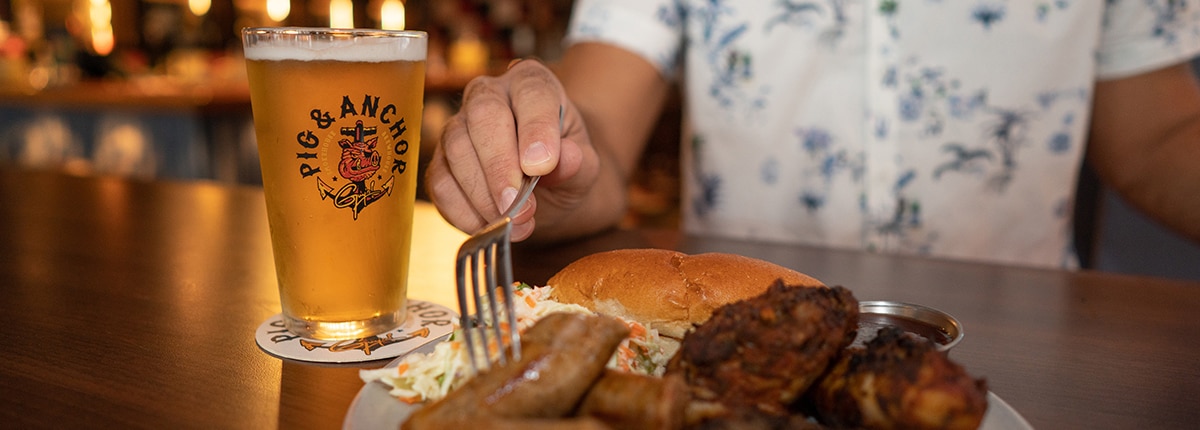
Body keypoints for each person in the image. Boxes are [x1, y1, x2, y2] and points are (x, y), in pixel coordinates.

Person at [424, 1, 1200, 269]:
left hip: (1029, 354)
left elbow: (1156, 135)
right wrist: (543, 157)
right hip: (733, 346)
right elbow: (598, 134)